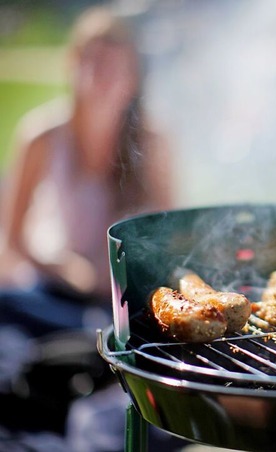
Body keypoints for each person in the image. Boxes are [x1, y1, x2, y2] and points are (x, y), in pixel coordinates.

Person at [0, 5, 173, 441]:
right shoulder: (42, 135)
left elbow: (172, 242)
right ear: (72, 64)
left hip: (120, 305)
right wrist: (69, 271)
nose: (102, 75)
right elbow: (14, 239)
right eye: (92, 60)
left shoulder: (153, 143)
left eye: (115, 64)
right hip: (54, 293)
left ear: (135, 76)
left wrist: (118, 280)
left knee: (126, 338)